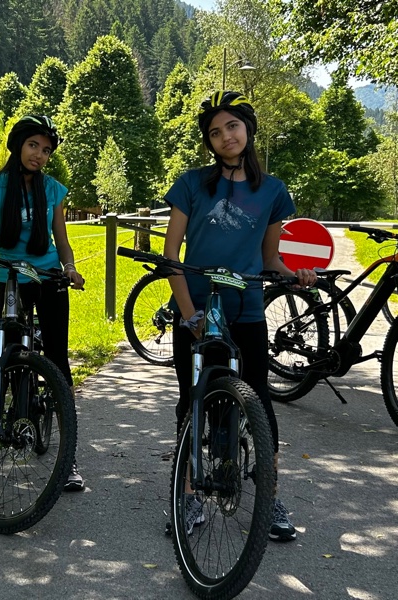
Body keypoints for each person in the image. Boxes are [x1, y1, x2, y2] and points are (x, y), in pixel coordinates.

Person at [163, 91, 317, 541]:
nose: (225, 136)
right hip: (196, 311)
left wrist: (296, 275)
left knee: (259, 408)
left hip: (246, 311)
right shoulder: (192, 184)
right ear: (209, 143)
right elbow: (171, 255)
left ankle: (266, 496)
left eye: (232, 126)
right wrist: (188, 315)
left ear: (247, 130)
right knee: (192, 403)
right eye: (215, 132)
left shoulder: (273, 191)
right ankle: (188, 495)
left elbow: (270, 259)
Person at [0, 114, 86, 492]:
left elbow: (61, 237)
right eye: (33, 146)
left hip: (49, 278)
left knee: (59, 363)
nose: (39, 156)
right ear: (18, 146)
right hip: (9, 279)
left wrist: (69, 269)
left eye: (46, 151)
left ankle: (68, 456)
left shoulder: (54, 190)